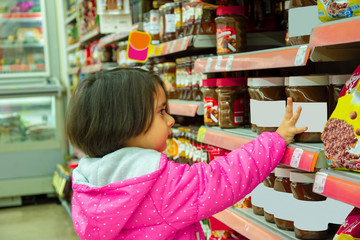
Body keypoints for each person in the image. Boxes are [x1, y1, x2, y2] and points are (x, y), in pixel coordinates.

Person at [66, 68, 307, 240]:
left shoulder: (87, 186)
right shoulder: (159, 185)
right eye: (161, 112)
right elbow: (223, 178)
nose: (171, 120)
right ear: (124, 125)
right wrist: (277, 139)